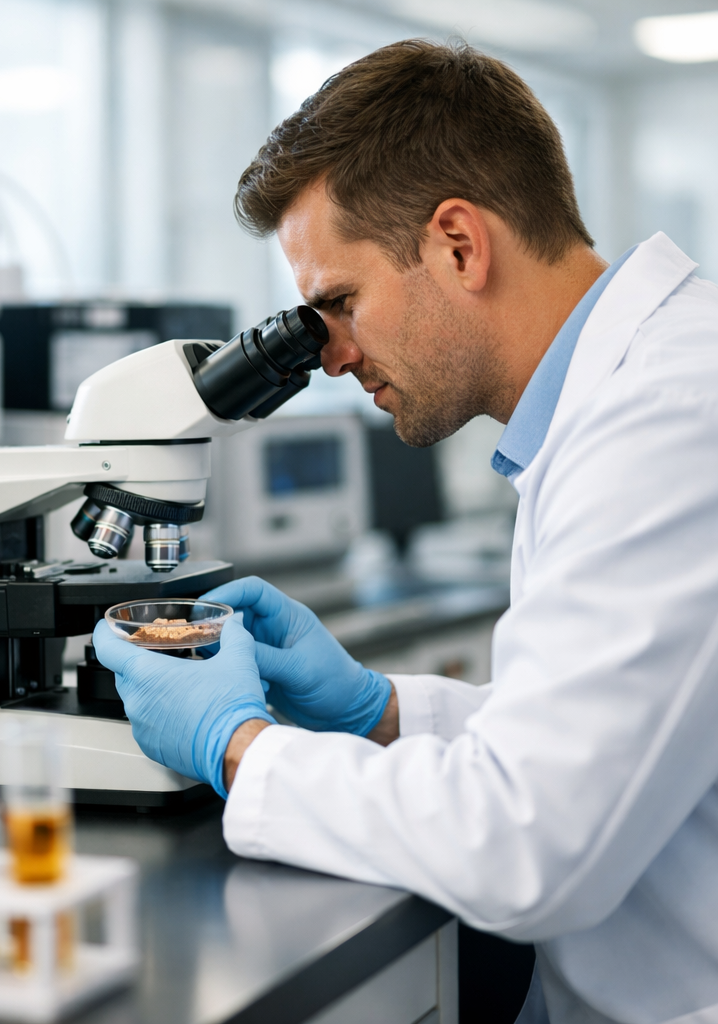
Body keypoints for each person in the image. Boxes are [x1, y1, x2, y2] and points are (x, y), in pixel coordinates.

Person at [93, 40, 718, 1024]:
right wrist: (380, 710)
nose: (330, 356)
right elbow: (613, 742)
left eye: (338, 303)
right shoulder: (627, 397)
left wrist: (240, 745)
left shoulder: (671, 420)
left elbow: (526, 846)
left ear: (458, 244)